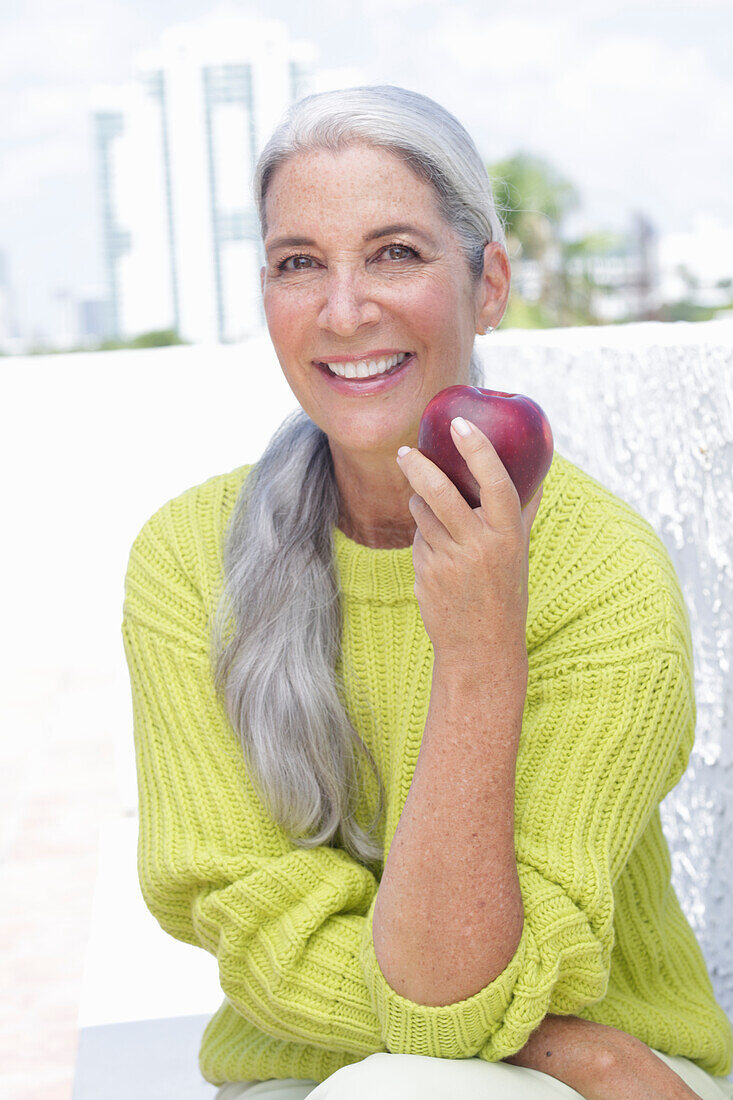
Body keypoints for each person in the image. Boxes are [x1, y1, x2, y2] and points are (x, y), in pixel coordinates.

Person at [121, 85, 733, 1100]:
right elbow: (254, 922)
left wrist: (479, 649)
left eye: (395, 252)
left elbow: (448, 999)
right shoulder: (188, 559)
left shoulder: (598, 569)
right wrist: (564, 1042)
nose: (343, 308)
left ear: (485, 283)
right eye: (298, 263)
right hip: (380, 1072)